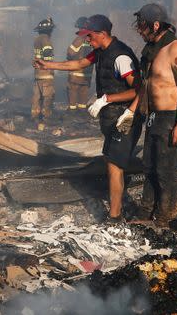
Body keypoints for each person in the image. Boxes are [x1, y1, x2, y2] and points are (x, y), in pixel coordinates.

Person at [34, 14, 140, 222]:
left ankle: (115, 215)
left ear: (102, 34)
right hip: (111, 118)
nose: (87, 40)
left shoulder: (121, 57)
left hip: (125, 118)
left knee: (114, 165)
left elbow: (139, 90)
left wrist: (107, 99)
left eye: (89, 36)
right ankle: (119, 207)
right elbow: (79, 63)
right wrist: (48, 65)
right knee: (111, 161)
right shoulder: (100, 52)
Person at [131, 3, 177, 221]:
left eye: (142, 26)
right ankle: (146, 211)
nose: (139, 30)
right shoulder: (151, 51)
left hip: (171, 117)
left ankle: (164, 215)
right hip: (154, 117)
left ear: (155, 25)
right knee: (148, 166)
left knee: (164, 170)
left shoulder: (175, 48)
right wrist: (131, 113)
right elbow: (147, 86)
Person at [32, 17, 56, 130]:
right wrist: (49, 66)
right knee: (48, 97)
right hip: (46, 73)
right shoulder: (46, 39)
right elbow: (47, 53)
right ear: (49, 30)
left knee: (37, 97)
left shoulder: (37, 39)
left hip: (38, 74)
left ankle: (35, 117)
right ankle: (46, 119)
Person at [66, 16, 93, 111]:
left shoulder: (80, 38)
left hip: (76, 75)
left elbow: (70, 52)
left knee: (73, 95)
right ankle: (81, 114)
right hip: (87, 76)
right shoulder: (92, 39)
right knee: (83, 97)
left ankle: (72, 114)